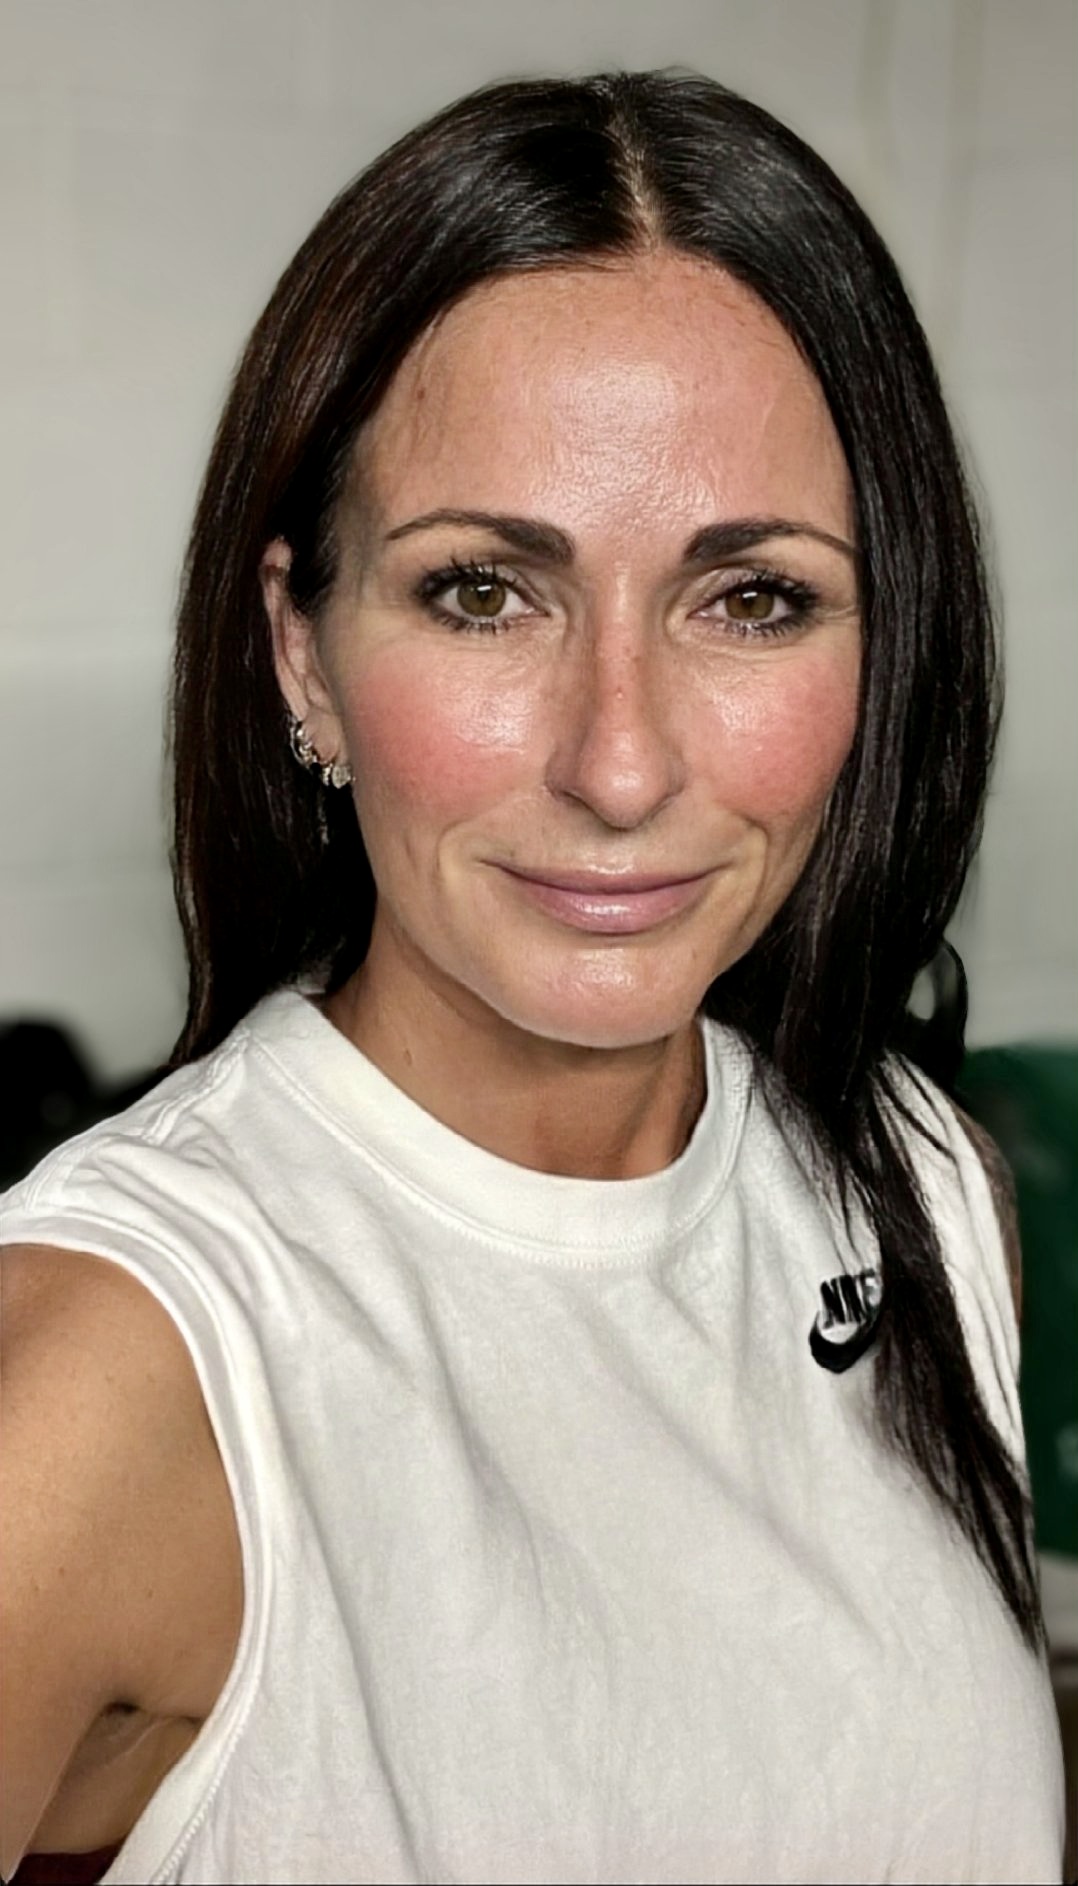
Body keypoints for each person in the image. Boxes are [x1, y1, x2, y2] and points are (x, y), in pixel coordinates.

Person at [0, 69, 1066, 1886]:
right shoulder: (116, 1363)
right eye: (484, 591)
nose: (620, 764)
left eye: (750, 598)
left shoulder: (923, 1182)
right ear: (303, 655)